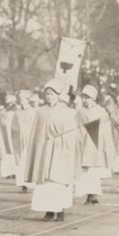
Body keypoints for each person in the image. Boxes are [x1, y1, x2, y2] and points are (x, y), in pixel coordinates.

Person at [24, 79, 77, 221]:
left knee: (57, 181)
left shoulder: (66, 112)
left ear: (58, 95)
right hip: (44, 150)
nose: (49, 97)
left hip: (60, 151)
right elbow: (37, 133)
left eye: (52, 94)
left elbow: (71, 134)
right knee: (45, 182)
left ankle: (60, 210)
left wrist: (61, 142)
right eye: (47, 94)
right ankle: (49, 210)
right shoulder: (40, 112)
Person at [75, 84, 115, 204]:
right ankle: (88, 193)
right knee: (85, 171)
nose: (85, 100)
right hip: (83, 143)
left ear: (93, 98)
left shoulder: (100, 111)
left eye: (87, 97)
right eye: (83, 97)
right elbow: (76, 126)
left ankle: (93, 194)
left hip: (95, 144)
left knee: (94, 171)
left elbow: (105, 130)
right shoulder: (80, 112)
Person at [11, 90, 36, 193]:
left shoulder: (33, 112)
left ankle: (31, 182)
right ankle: (23, 185)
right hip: (19, 140)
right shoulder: (17, 113)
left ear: (28, 100)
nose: (22, 101)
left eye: (24, 99)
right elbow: (13, 127)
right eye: (20, 99)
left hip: (29, 140)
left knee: (29, 161)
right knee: (20, 162)